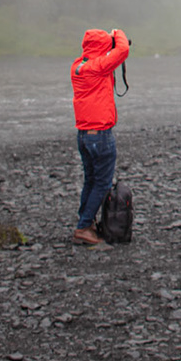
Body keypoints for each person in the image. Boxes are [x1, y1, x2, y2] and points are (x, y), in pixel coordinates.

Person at [70, 27, 130, 246]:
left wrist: (107, 45)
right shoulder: (98, 67)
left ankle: (86, 222)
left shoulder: (78, 66)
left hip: (84, 134)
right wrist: (117, 33)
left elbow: (105, 56)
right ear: (102, 47)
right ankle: (84, 227)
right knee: (103, 184)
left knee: (91, 180)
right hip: (100, 135)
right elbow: (122, 50)